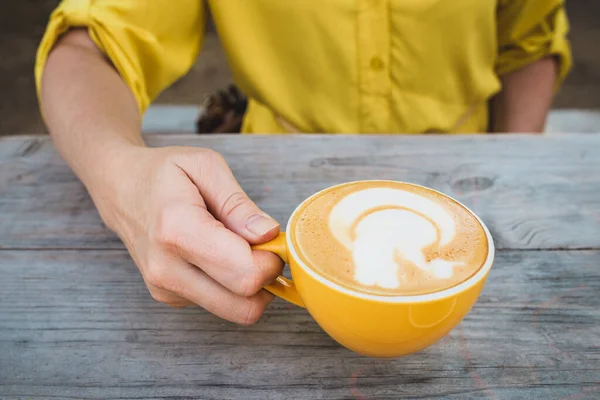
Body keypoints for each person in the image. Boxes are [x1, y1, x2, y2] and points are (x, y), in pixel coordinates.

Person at [35, 0, 571, 324]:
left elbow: (529, 40)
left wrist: (508, 160)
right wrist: (124, 177)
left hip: (468, 184)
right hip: (265, 184)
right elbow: (88, 48)